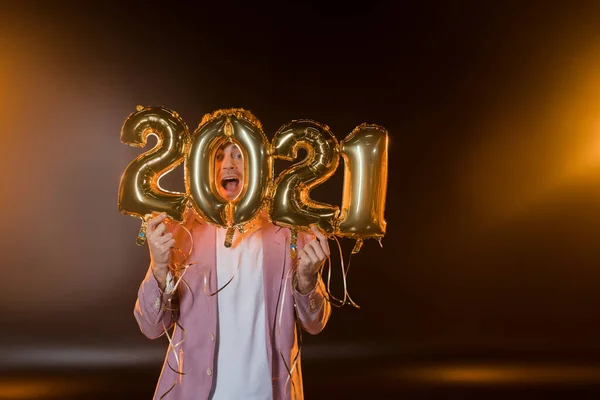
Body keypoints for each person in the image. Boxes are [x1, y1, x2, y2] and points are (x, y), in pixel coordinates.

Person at [134, 141, 331, 400]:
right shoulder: (181, 230)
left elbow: (315, 323)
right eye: (217, 156)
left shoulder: (290, 231)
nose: (228, 164)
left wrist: (307, 279)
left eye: (240, 154)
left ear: (260, 163)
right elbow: (151, 327)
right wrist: (158, 267)